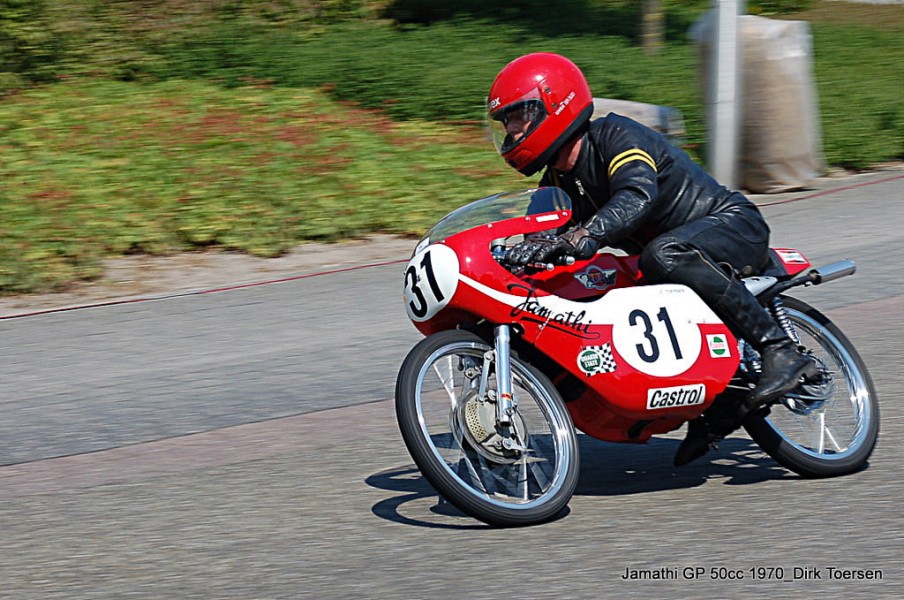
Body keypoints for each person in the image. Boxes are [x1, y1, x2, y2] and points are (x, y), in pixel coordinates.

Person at [486, 52, 817, 466]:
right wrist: (513, 258)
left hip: (731, 224)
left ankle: (780, 349)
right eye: (505, 123)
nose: (512, 130)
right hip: (669, 263)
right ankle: (719, 404)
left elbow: (637, 194)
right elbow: (541, 241)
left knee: (661, 254)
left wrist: (585, 235)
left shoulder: (616, 136)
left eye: (520, 115)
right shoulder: (555, 185)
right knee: (612, 290)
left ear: (556, 103)